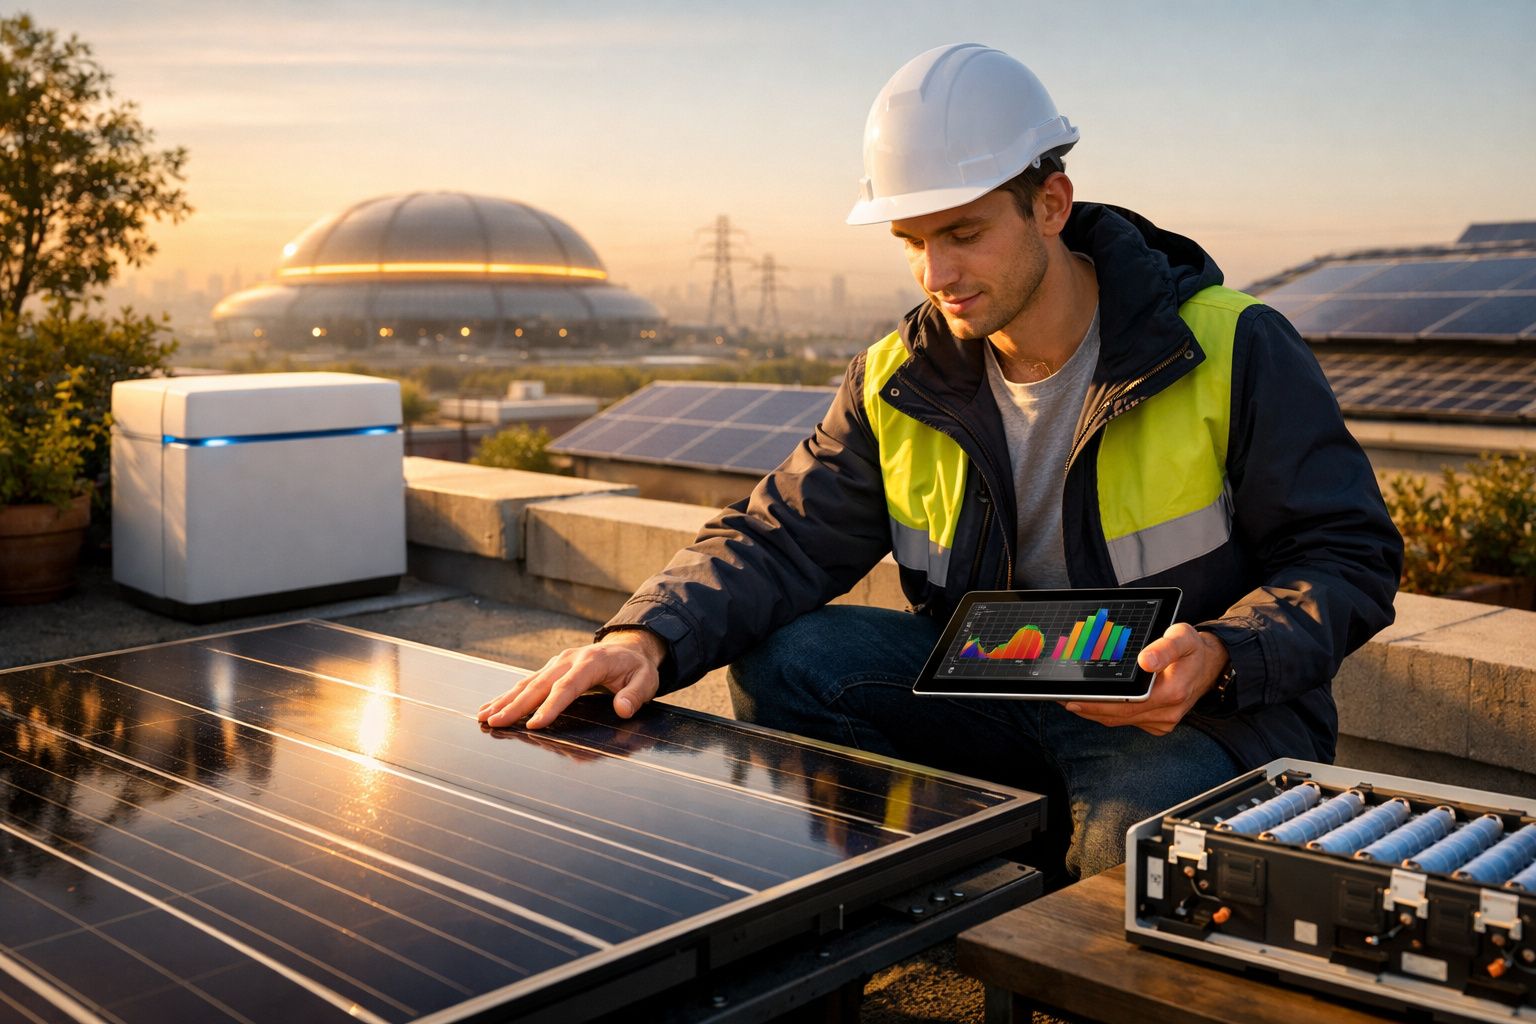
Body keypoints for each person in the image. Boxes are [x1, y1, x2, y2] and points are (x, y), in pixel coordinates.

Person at [479, 43, 1403, 879]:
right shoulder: (897, 377)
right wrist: (643, 636)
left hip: (1187, 714)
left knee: (1127, 869)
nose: (936, 274)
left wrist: (1224, 657)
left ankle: (1058, 897)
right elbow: (780, 538)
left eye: (962, 232)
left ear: (1051, 203)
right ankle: (930, 884)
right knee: (789, 662)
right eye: (913, 242)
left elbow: (1346, 555)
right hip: (994, 683)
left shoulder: (1233, 345)